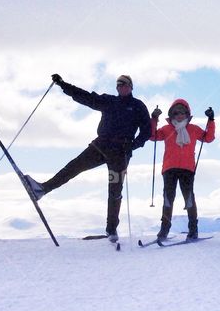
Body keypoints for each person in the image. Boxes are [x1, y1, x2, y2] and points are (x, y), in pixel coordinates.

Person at [24, 73, 151, 243]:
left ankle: (111, 230)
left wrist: (132, 145)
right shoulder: (109, 101)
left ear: (131, 87)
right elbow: (85, 97)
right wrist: (63, 85)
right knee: (74, 167)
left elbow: (146, 132)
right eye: (119, 84)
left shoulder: (138, 106)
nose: (121, 87)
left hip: (120, 154)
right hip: (101, 146)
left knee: (115, 190)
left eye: (125, 84)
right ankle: (41, 189)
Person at [151, 99, 215, 241]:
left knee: (189, 199)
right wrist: (154, 119)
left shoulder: (193, 129)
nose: (179, 115)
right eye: (176, 112)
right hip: (170, 169)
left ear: (187, 114)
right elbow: (152, 136)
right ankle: (164, 230)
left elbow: (209, 138)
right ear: (171, 114)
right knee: (168, 199)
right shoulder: (166, 129)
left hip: (186, 169)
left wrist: (211, 120)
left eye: (182, 112)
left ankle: (193, 231)